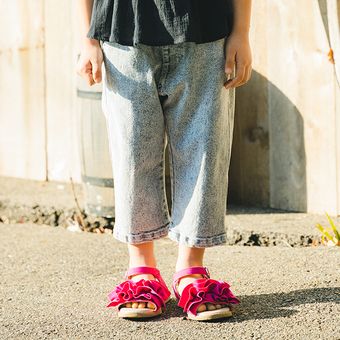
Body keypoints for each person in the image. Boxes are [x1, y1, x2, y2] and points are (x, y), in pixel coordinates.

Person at [76, 0, 252, 321]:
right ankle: (141, 269)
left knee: (205, 150)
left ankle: (191, 270)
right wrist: (88, 39)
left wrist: (241, 32)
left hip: (206, 30)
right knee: (132, 153)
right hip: (123, 33)